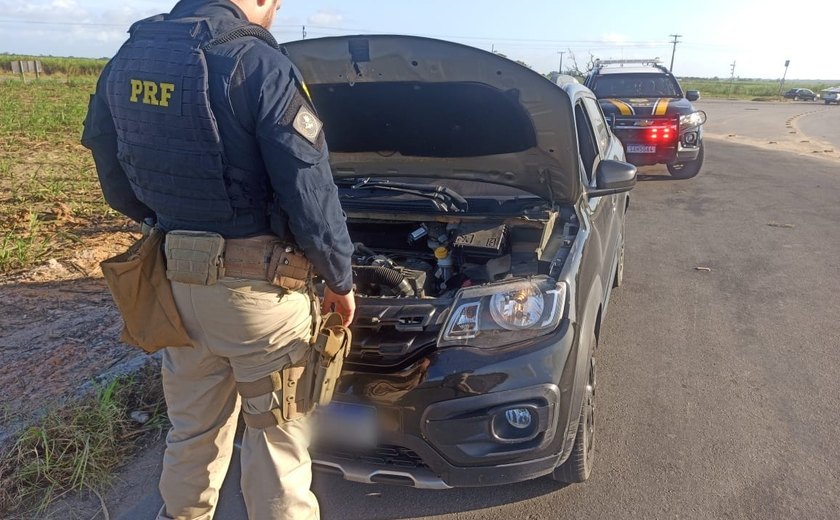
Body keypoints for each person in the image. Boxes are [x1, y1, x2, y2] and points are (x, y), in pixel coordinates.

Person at [81, 0, 355, 518]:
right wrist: (340, 278)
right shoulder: (258, 64)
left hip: (172, 290)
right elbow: (309, 190)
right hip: (259, 299)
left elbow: (108, 159)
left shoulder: (130, 57)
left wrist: (162, 216)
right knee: (277, 446)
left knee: (192, 434)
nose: (273, 12)